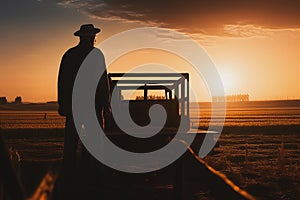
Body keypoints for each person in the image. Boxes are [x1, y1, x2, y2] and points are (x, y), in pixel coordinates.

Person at [56, 24, 110, 191]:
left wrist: (62, 103)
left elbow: (62, 81)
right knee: (94, 141)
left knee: (71, 141)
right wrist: (106, 103)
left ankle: (68, 176)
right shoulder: (96, 54)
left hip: (74, 105)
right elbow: (103, 81)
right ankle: (93, 177)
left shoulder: (69, 55)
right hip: (92, 105)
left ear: (80, 37)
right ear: (92, 37)